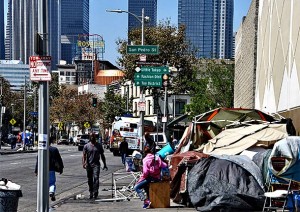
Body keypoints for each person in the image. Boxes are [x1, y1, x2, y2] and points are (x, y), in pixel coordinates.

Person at [134, 141, 167, 209]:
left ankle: (146, 201)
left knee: (137, 187)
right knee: (146, 186)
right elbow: (165, 165)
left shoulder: (146, 160)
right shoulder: (157, 158)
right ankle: (148, 201)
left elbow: (145, 173)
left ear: (145, 153)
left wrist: (140, 179)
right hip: (158, 178)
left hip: (150, 178)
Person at [82, 133, 108, 199]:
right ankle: (91, 191)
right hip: (89, 165)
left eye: (93, 136)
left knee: (96, 178)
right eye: (91, 137)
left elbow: (102, 155)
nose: (92, 138)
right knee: (90, 179)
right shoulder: (86, 146)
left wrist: (104, 164)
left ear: (95, 137)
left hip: (96, 165)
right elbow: (84, 155)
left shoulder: (99, 146)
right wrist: (84, 163)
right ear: (89, 138)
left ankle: (95, 192)